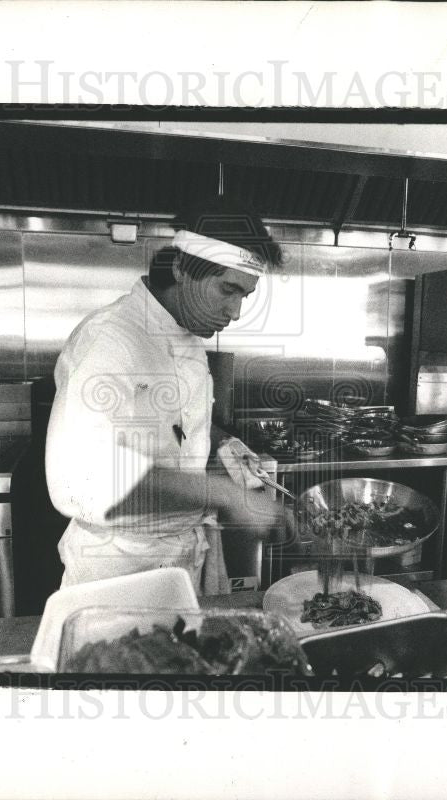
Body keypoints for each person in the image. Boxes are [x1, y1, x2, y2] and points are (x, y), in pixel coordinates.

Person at [45, 199, 289, 594]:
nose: (237, 311)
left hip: (180, 561)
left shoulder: (186, 334)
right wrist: (224, 494)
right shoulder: (111, 339)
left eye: (245, 295)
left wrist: (222, 441)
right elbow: (82, 477)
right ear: (182, 268)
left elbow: (173, 421)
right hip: (119, 572)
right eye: (229, 290)